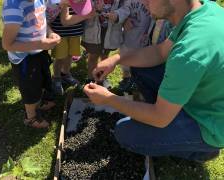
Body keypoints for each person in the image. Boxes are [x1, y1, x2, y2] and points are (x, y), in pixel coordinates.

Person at [84, 0, 224, 161]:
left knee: (126, 133)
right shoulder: (201, 9)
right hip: (203, 94)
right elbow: (160, 52)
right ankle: (170, 108)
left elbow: (160, 118)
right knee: (138, 65)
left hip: (211, 124)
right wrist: (117, 58)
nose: (143, 2)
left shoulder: (188, 54)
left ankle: (203, 151)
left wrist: (109, 99)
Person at [2, 0, 61, 129]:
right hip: (24, 58)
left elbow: (42, 19)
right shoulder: (14, 8)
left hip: (39, 50)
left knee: (42, 77)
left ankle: (39, 103)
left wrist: (50, 33)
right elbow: (7, 45)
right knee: (30, 87)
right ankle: (31, 117)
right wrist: (40, 44)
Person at [106, 0, 153, 94]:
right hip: (128, 38)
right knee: (126, 62)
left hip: (143, 40)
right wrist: (120, 18)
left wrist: (149, 32)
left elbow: (155, 18)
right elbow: (123, 9)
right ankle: (126, 79)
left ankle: (137, 81)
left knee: (140, 63)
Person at [48, 0, 94, 95]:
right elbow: (65, 21)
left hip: (75, 32)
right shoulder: (63, 2)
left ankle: (66, 73)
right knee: (59, 58)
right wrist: (86, 16)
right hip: (60, 34)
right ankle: (56, 78)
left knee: (70, 55)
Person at [81, 0, 123, 88]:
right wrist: (95, 8)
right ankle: (90, 78)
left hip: (110, 30)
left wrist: (117, 15)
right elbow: (84, 6)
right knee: (93, 55)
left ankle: (102, 78)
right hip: (93, 30)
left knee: (105, 55)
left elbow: (125, 8)